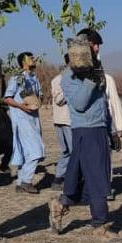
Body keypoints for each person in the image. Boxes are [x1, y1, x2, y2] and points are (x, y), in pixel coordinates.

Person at [48, 30, 122, 243]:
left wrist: (111, 130)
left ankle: (61, 205)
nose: (97, 48)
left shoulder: (96, 72)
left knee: (81, 177)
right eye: (93, 44)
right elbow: (80, 104)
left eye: (98, 44)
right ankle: (99, 226)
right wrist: (91, 81)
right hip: (85, 132)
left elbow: (104, 105)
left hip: (99, 130)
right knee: (98, 179)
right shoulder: (68, 76)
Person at [4, 51, 45, 194]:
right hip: (22, 120)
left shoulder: (34, 78)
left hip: (34, 119)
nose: (34, 59)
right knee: (36, 150)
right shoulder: (17, 78)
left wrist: (39, 100)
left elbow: (39, 96)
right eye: (31, 58)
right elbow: (7, 98)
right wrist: (21, 106)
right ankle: (27, 181)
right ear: (24, 61)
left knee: (27, 151)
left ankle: (20, 182)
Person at [50, 56, 71, 191]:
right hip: (65, 121)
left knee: (68, 151)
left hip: (63, 120)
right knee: (71, 151)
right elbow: (59, 100)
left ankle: (59, 178)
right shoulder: (59, 80)